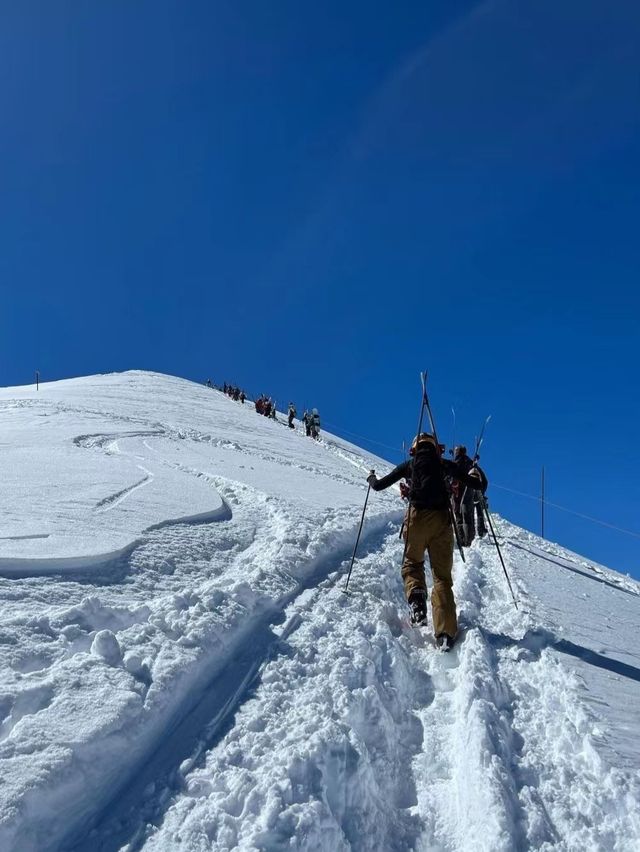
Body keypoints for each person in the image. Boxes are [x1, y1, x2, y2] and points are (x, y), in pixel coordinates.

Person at [366, 432, 483, 649]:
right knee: (442, 578)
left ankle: (417, 602)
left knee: (412, 564)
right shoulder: (445, 465)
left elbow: (379, 485)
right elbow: (478, 485)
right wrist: (476, 472)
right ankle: (445, 632)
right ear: (435, 448)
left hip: (416, 517)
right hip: (441, 521)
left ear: (415, 448)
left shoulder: (410, 465)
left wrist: (371, 477)